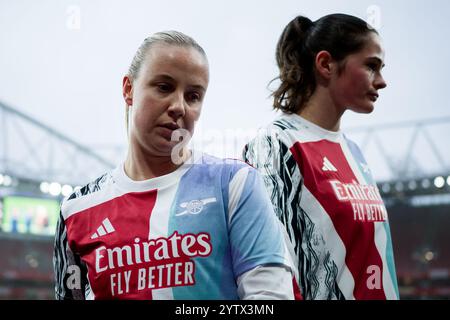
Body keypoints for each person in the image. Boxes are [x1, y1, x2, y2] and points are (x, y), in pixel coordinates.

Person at [53, 31, 295, 300]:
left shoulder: (235, 184)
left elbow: (271, 298)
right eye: (164, 87)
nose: (179, 106)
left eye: (193, 96)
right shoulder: (77, 210)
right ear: (128, 89)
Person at [243, 14, 399, 300]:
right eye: (371, 66)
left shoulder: (354, 152)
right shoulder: (277, 144)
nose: (382, 81)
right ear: (326, 64)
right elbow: (271, 269)